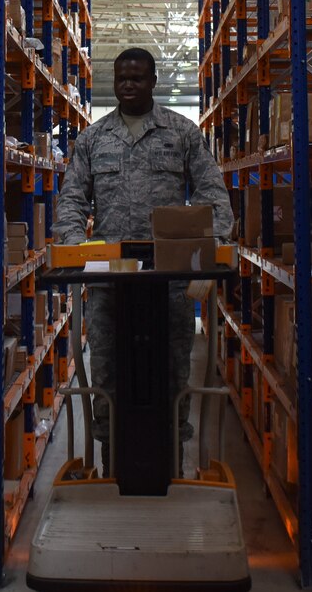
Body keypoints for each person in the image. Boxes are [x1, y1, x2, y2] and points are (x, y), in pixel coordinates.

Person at [54, 47, 235, 452]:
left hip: (168, 279)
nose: (128, 85)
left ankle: (172, 449)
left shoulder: (182, 132)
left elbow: (213, 194)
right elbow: (71, 200)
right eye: (121, 78)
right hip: (108, 279)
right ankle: (109, 451)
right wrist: (72, 247)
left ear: (154, 81)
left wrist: (213, 246)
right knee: (106, 366)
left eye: (137, 78)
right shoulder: (93, 138)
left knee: (172, 365)